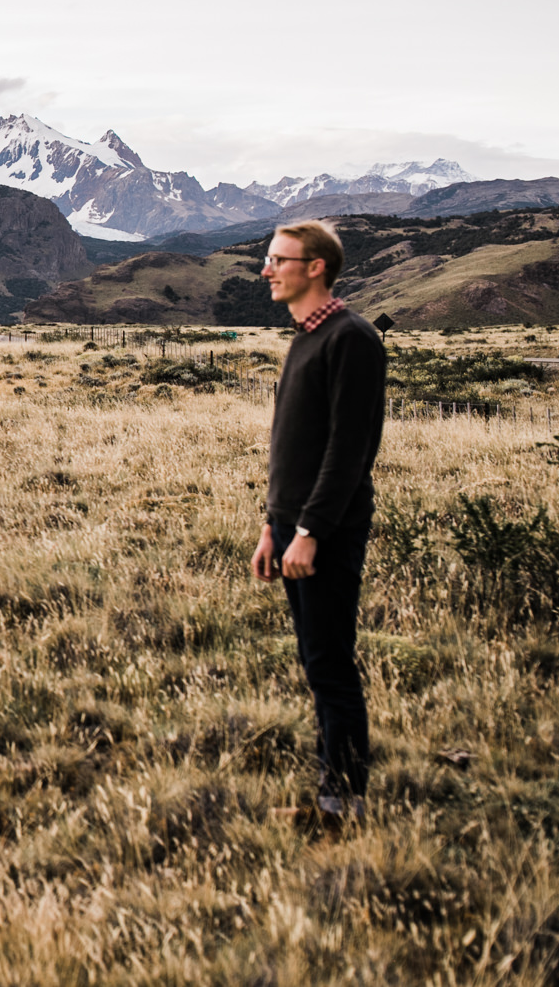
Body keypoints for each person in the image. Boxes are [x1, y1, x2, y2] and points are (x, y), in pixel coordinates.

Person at [250, 220, 385, 827]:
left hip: (324, 532)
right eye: (268, 258)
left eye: (279, 259)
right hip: (294, 527)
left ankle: (343, 807)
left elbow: (347, 452)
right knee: (315, 661)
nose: (266, 269)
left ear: (316, 268)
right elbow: (292, 448)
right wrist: (271, 527)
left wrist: (308, 532)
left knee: (331, 664)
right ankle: (329, 793)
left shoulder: (350, 338)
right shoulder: (307, 336)